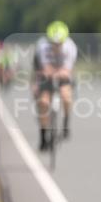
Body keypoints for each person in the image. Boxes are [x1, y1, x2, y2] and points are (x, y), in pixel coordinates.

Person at [33, 21, 78, 150]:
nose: (56, 46)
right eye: (54, 43)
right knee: (43, 102)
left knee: (66, 95)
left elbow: (67, 70)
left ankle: (65, 123)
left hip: (62, 74)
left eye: (59, 43)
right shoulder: (42, 47)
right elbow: (45, 68)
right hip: (46, 74)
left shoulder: (70, 47)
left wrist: (58, 73)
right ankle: (43, 137)